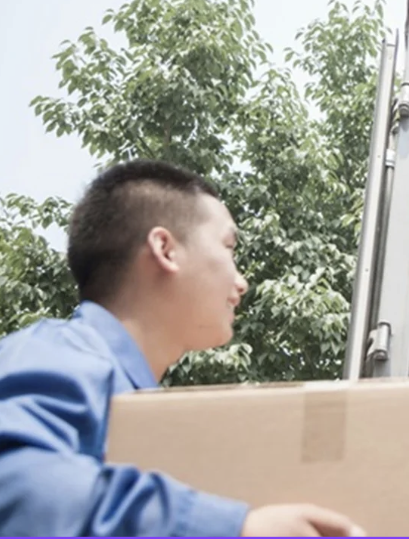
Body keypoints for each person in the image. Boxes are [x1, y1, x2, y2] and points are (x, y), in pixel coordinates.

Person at [0, 160, 366, 537]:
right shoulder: (62, 352)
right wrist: (237, 528)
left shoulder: (133, 398)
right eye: (228, 247)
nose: (241, 282)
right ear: (165, 249)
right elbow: (16, 484)